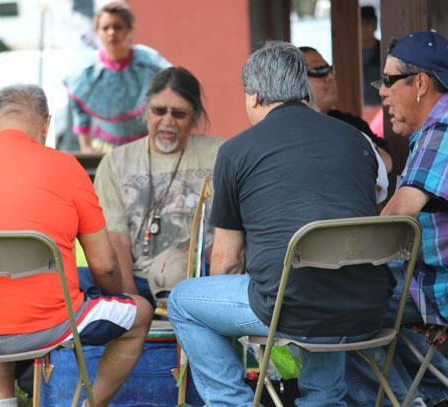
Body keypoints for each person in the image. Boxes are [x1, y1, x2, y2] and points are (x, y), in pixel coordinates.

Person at [168, 41, 394, 407]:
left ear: (254, 97)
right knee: (322, 279)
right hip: (368, 307)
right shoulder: (358, 141)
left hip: (289, 309)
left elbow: (226, 261)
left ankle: (232, 402)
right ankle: (323, 400)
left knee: (182, 301)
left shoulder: (236, 151)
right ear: (303, 89)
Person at [0, 84, 153, 407]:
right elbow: (106, 265)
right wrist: (114, 295)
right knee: (142, 314)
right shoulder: (67, 167)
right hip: (49, 327)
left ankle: (4, 403)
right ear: (46, 125)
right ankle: (90, 405)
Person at [345, 31, 448, 407]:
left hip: (437, 289)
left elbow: (396, 220)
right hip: (425, 283)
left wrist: (341, 246)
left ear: (420, 83)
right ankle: (431, 393)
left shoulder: (443, 127)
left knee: (336, 307)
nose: (382, 93)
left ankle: (410, 401)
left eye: (387, 81)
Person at [93, 66, 224, 304]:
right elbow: (116, 238)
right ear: (146, 111)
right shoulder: (115, 162)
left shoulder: (220, 154)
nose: (167, 121)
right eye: (159, 110)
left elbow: (230, 233)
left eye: (179, 113)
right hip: (138, 281)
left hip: (200, 283)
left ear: (194, 116)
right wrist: (131, 300)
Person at [63, 1, 170, 153]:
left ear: (129, 30)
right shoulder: (88, 70)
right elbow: (79, 109)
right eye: (105, 28)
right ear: (97, 32)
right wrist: (85, 146)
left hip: (147, 147)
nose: (111, 32)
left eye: (118, 27)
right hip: (105, 149)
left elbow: (174, 89)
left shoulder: (149, 62)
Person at [299, 46, 393, 177]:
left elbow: (385, 162)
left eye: (330, 69)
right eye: (319, 71)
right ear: (295, 82)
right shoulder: (287, 128)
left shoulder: (349, 123)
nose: (331, 76)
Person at [361, 5, 382, 106]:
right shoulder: (350, 57)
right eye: (360, 24)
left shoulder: (384, 51)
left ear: (375, 24)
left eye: (367, 23)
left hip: (382, 108)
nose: (363, 28)